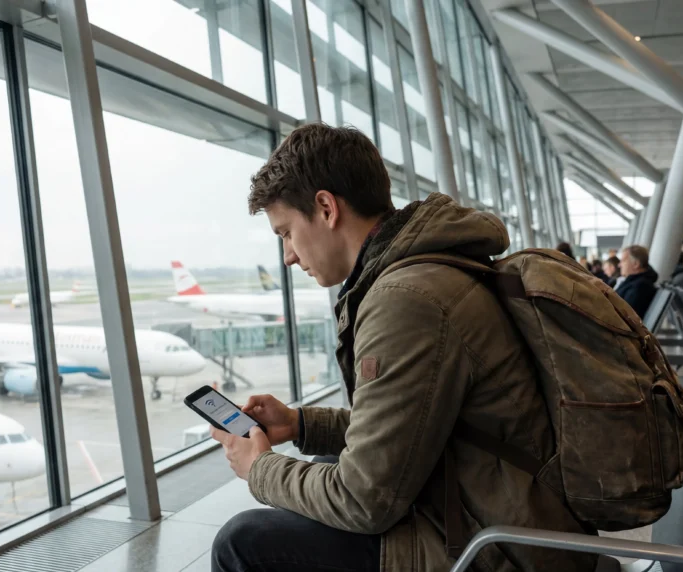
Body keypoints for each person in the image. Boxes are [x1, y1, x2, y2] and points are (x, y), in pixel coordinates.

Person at [211, 124, 595, 572]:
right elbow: (405, 426)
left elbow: (364, 500)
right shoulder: (433, 268)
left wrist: (260, 469)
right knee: (325, 460)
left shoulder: (407, 301)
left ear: (325, 207)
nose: (289, 256)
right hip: (506, 510)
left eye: (286, 233)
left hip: (497, 549)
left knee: (242, 542)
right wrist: (299, 424)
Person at [615, 245, 658, 318]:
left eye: (623, 261)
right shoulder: (636, 282)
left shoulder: (640, 286)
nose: (619, 265)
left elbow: (626, 316)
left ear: (636, 264)